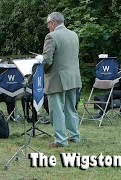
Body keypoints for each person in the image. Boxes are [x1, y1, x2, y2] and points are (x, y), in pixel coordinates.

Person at [40, 12, 82, 147]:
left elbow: (47, 60)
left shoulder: (51, 36)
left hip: (57, 78)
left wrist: (40, 67)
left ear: (52, 23)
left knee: (56, 110)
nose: (47, 27)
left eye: (48, 24)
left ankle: (60, 140)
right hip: (73, 77)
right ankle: (74, 136)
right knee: (71, 108)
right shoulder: (74, 35)